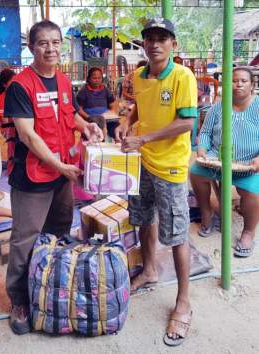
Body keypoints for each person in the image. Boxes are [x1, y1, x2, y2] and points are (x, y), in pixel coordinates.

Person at [3, 20, 103, 335]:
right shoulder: (20, 85)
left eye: (56, 42)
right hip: (33, 175)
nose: (51, 49)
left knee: (60, 230)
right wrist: (60, 167)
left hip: (61, 173)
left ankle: (51, 287)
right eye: (43, 43)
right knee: (25, 238)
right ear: (32, 47)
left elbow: (69, 112)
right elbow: (28, 135)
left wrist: (86, 127)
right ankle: (19, 300)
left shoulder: (61, 80)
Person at [115, 18, 197, 346]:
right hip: (142, 161)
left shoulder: (182, 76)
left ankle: (184, 302)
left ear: (173, 44)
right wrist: (125, 121)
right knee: (143, 217)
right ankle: (149, 270)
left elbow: (187, 121)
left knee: (177, 233)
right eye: (149, 38)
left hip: (172, 167)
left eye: (162, 38)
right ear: (143, 44)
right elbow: (138, 108)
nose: (155, 44)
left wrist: (144, 138)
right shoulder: (138, 75)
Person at [190, 66, 259, 257]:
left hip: (248, 164)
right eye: (234, 80)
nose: (238, 84)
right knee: (195, 172)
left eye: (243, 81)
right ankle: (207, 214)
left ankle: (248, 232)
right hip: (216, 159)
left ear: (252, 85)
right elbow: (204, 133)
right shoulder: (218, 107)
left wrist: (258, 160)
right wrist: (202, 149)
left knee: (253, 191)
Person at [76, 67, 118, 138]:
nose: (97, 80)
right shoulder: (83, 91)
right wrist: (88, 116)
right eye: (94, 78)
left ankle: (115, 142)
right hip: (91, 117)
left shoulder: (105, 89)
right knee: (97, 127)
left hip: (105, 117)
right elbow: (79, 108)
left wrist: (111, 113)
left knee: (116, 126)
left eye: (99, 78)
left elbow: (113, 103)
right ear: (89, 79)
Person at [0, 69, 16, 138]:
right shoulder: (1, 100)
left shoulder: (17, 95)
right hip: (9, 132)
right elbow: (7, 123)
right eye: (12, 82)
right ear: (4, 85)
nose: (16, 84)